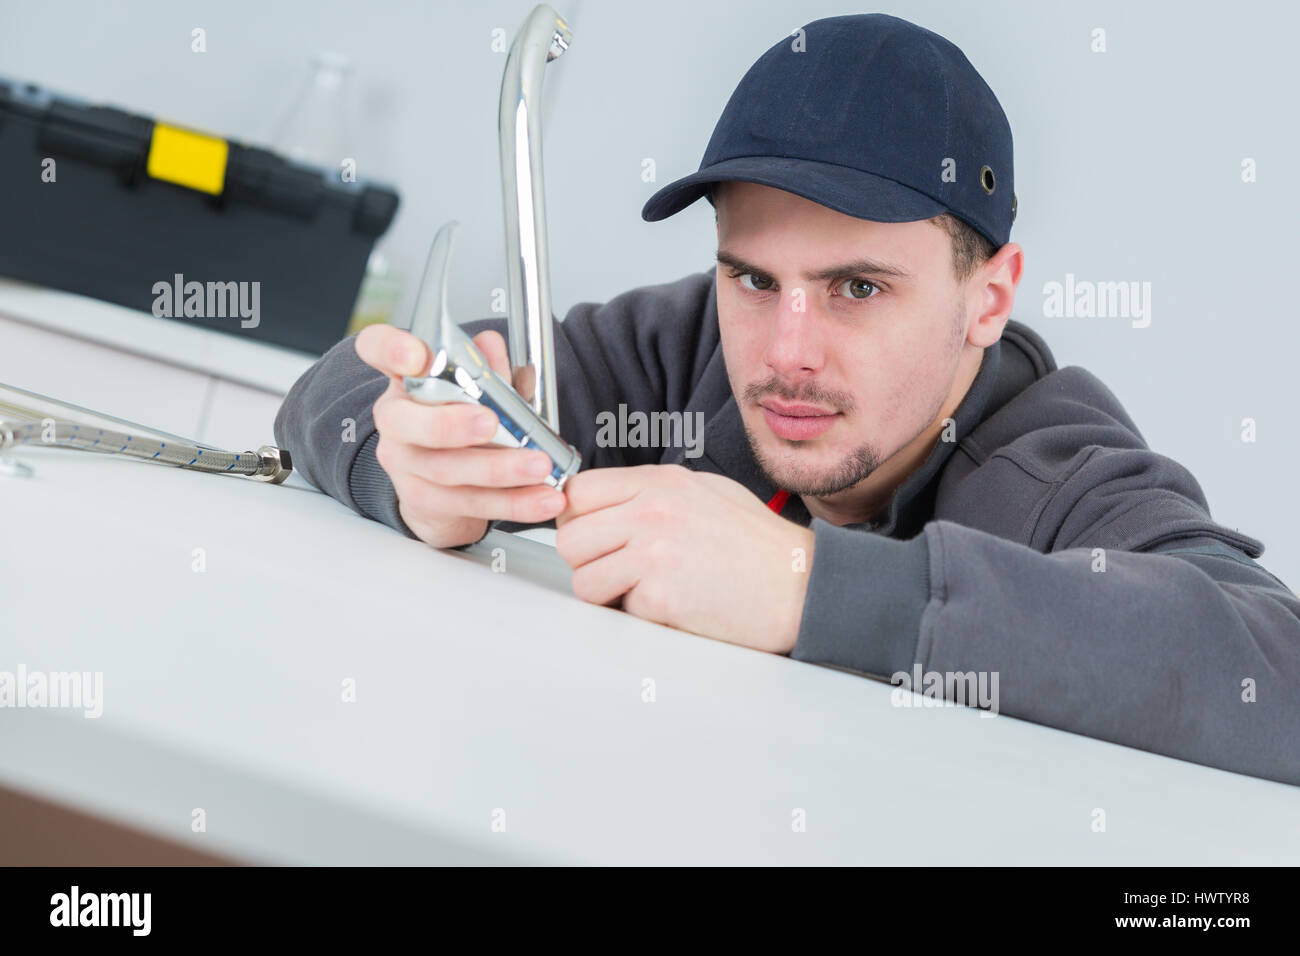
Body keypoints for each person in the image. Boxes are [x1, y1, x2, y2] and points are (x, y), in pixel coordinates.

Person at [274, 14, 1300, 785]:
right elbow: (331, 392)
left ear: (986, 297)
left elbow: (1278, 678)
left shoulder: (1051, 471)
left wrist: (806, 585)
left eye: (859, 287)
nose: (785, 352)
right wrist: (413, 465)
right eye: (753, 278)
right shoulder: (683, 347)